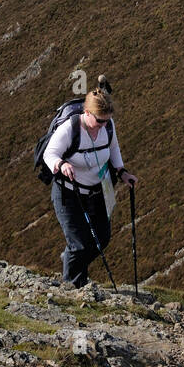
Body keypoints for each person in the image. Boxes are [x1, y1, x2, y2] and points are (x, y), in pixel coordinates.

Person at [44, 77, 137, 288]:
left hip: (98, 192)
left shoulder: (107, 126)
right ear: (87, 113)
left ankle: (72, 265)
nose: (102, 126)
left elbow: (113, 149)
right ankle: (73, 288)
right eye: (99, 121)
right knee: (78, 244)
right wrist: (61, 164)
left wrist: (122, 172)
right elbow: (50, 153)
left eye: (106, 121)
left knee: (101, 239)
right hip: (70, 193)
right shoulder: (70, 129)